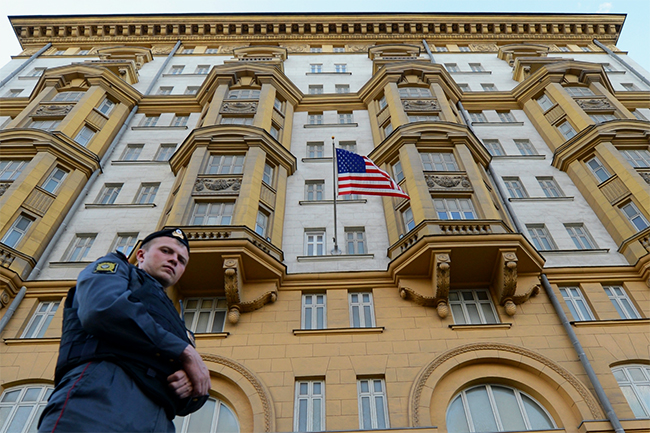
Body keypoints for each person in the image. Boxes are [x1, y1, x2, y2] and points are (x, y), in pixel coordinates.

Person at [38, 228, 211, 433]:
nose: (174, 260)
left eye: (181, 260)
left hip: (160, 416)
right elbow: (103, 309)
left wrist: (189, 388)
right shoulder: (119, 269)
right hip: (104, 393)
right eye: (166, 251)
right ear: (141, 255)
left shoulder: (176, 320)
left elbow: (194, 391)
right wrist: (184, 351)